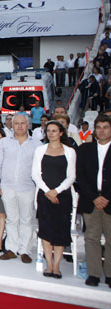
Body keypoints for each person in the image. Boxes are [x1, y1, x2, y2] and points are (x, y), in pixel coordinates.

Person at [32, 121, 77, 279]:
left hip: (62, 196)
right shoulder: (40, 150)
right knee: (45, 231)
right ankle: (49, 265)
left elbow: (71, 176)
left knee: (60, 231)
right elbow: (35, 174)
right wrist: (48, 192)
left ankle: (57, 267)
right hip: (44, 196)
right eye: (48, 131)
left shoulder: (70, 151)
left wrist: (56, 191)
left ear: (61, 133)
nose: (51, 134)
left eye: (54, 131)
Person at [0, 113, 38, 263]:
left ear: (28, 125)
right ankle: (11, 249)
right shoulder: (4, 142)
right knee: (12, 219)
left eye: (22, 123)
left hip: (28, 187)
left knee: (26, 220)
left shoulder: (37, 144)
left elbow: (38, 168)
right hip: (7, 186)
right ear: (12, 125)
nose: (19, 126)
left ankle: (25, 250)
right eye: (16, 123)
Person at [76, 115, 111, 287]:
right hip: (91, 200)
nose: (102, 130)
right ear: (94, 130)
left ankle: (110, 274)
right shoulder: (85, 150)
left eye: (106, 127)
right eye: (99, 127)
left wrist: (106, 197)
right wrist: (94, 197)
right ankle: (94, 273)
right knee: (91, 238)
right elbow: (80, 177)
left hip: (109, 200)